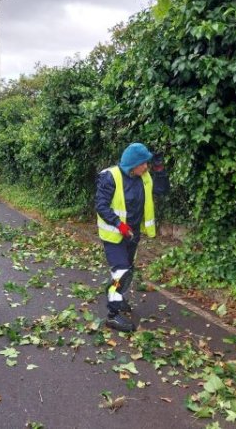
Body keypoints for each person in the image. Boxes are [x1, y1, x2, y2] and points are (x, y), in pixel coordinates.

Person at [95, 142, 169, 332]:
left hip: (132, 234)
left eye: (148, 163)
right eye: (143, 163)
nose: (146, 166)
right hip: (114, 234)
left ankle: (116, 296)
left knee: (128, 270)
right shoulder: (111, 177)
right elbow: (101, 205)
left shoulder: (144, 177)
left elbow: (162, 190)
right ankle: (112, 316)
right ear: (132, 164)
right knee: (121, 272)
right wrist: (119, 225)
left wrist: (160, 169)